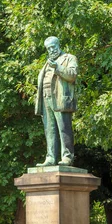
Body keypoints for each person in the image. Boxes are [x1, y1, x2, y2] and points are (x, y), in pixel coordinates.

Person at [35, 36, 78, 166]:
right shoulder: (47, 62)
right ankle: (51, 158)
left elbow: (72, 75)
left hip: (60, 98)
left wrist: (57, 67)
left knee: (64, 128)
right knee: (50, 129)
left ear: (59, 45)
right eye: (49, 48)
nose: (51, 50)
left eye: (53, 47)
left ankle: (67, 157)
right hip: (46, 98)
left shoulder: (69, 58)